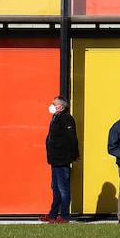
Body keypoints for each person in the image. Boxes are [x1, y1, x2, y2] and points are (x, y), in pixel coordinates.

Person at [43, 96, 78, 224]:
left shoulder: (66, 118)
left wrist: (73, 155)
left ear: (61, 106)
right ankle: (53, 214)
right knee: (56, 188)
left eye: (54, 104)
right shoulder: (55, 118)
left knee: (63, 189)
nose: (52, 106)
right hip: (55, 159)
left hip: (62, 159)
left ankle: (64, 215)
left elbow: (71, 138)